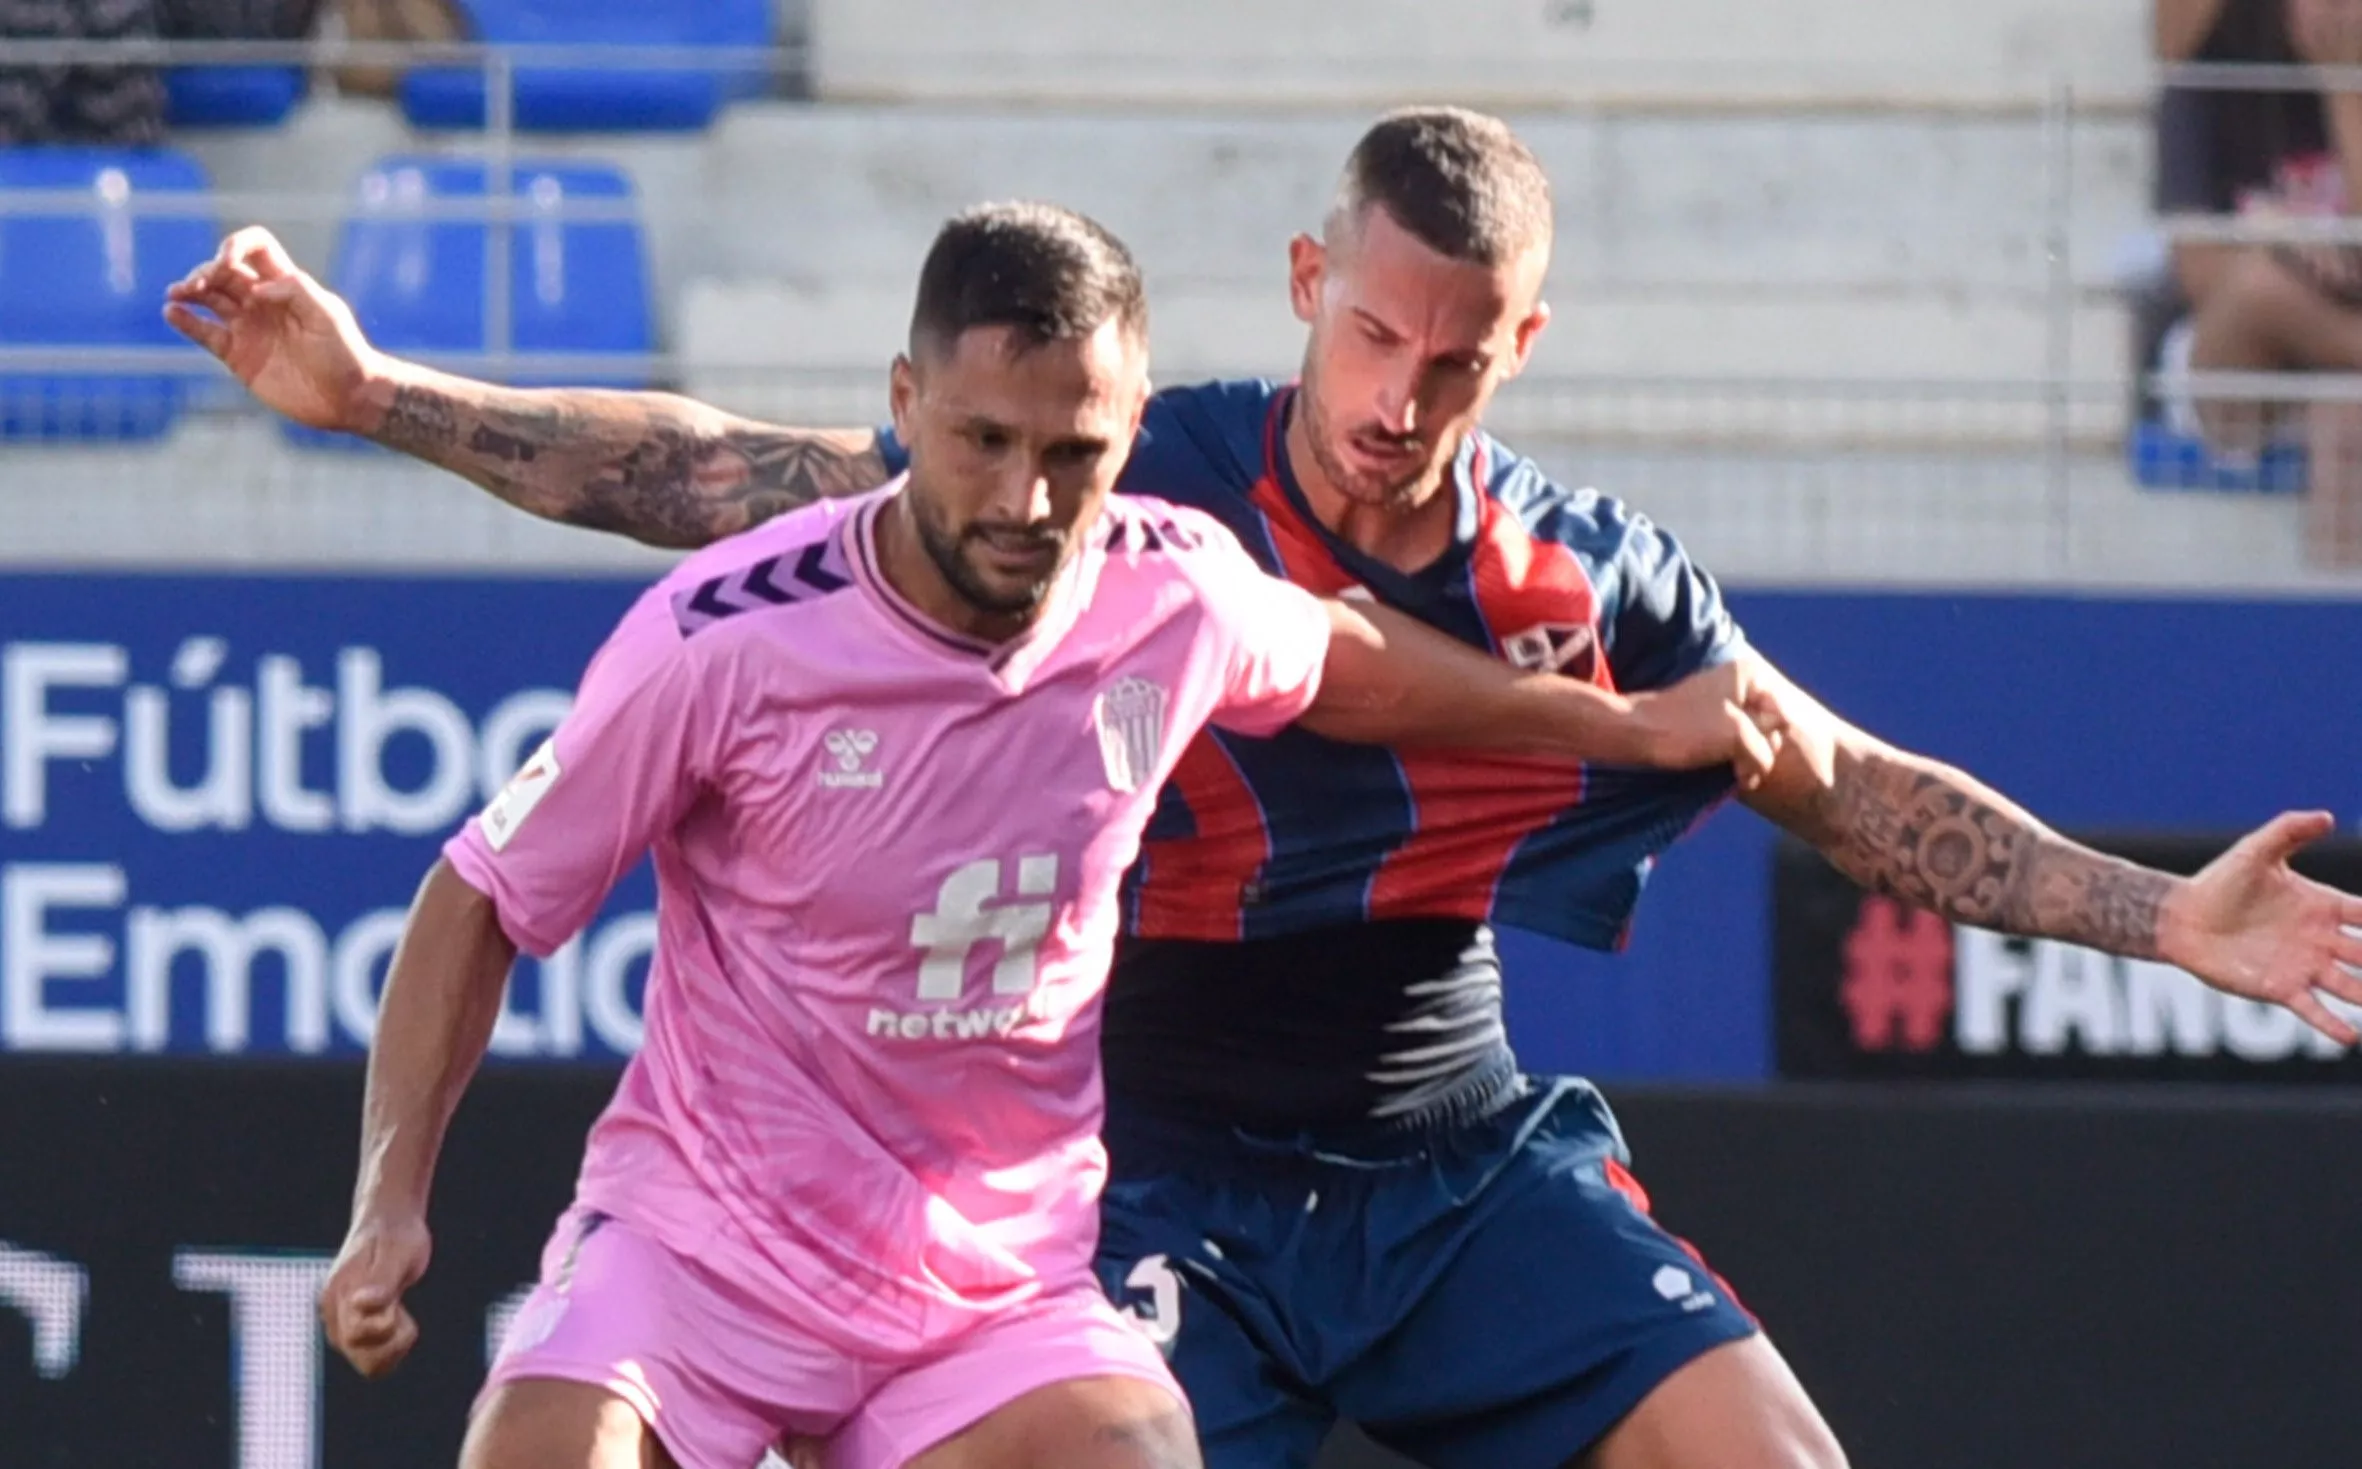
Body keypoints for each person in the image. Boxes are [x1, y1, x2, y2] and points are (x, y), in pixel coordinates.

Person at [168, 112, 2362, 1469]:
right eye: (1373, 335)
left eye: (1455, 354)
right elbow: (724, 478)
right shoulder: (1126, 480)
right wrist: (378, 397)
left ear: (1520, 347)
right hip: (1142, 1179)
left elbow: (1840, 779)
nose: (1400, 394)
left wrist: (2152, 909)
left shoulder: (1546, 577)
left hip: (1452, 1152)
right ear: (1312, 288)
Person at [194, 199, 1789, 1469]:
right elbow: (478, 895)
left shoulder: (1171, 586)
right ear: (905, 407)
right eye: (982, 442)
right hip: (700, 1255)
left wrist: (1617, 726)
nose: (1026, 501)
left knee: (1138, 1450)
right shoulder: (724, 640)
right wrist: (388, 1199)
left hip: (988, 1287)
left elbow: (1351, 660)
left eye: (1072, 453)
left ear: (1131, 427)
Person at [2152, 0, 2362, 558]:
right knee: (2259, 286)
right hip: (2237, 358)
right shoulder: (2210, 82)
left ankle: (2333, 610)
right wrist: (2286, 254)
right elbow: (2198, 271)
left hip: (2343, 361)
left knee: (2344, 417)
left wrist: (2345, 90)